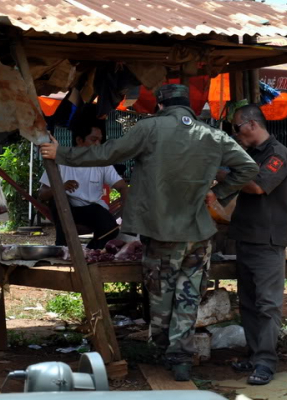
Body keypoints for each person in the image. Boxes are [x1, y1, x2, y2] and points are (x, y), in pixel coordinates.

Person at [40, 84, 259, 381]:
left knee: (162, 292)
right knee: (188, 294)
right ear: (189, 108)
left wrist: (61, 153)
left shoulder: (150, 128)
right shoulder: (212, 134)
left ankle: (166, 349)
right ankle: (180, 358)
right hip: (199, 234)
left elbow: (107, 152)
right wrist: (218, 193)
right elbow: (247, 167)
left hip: (162, 231)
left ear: (159, 107)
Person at [221, 104, 287, 385]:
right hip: (246, 237)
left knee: (268, 304)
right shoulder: (250, 154)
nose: (236, 134)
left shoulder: (278, 154)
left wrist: (222, 175)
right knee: (249, 303)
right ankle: (254, 356)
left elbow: (258, 186)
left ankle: (266, 362)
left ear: (252, 124)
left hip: (268, 240)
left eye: (237, 128)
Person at [38, 118, 128, 249]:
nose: (98, 144)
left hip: (94, 211)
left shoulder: (102, 162)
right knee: (57, 202)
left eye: (100, 140)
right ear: (79, 140)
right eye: (93, 139)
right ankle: (63, 248)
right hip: (69, 210)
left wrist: (126, 210)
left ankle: (92, 251)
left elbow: (122, 187)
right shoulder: (61, 162)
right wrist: (60, 188)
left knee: (108, 227)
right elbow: (42, 194)